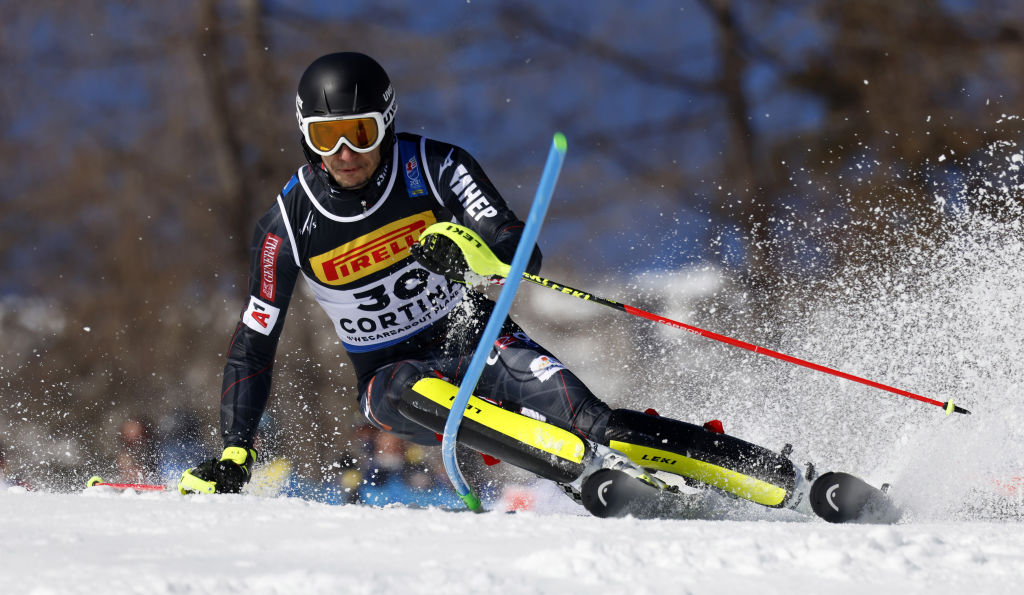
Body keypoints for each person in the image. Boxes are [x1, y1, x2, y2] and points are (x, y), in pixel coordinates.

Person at [177, 52, 820, 519]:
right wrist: (236, 451)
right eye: (326, 137)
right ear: (305, 137)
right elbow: (252, 344)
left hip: (479, 341)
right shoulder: (287, 225)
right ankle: (576, 466)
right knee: (402, 388)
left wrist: (470, 251)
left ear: (387, 125)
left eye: (361, 132)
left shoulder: (435, 168)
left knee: (604, 423)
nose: (345, 153)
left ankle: (782, 477)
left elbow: (520, 246)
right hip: (388, 379)